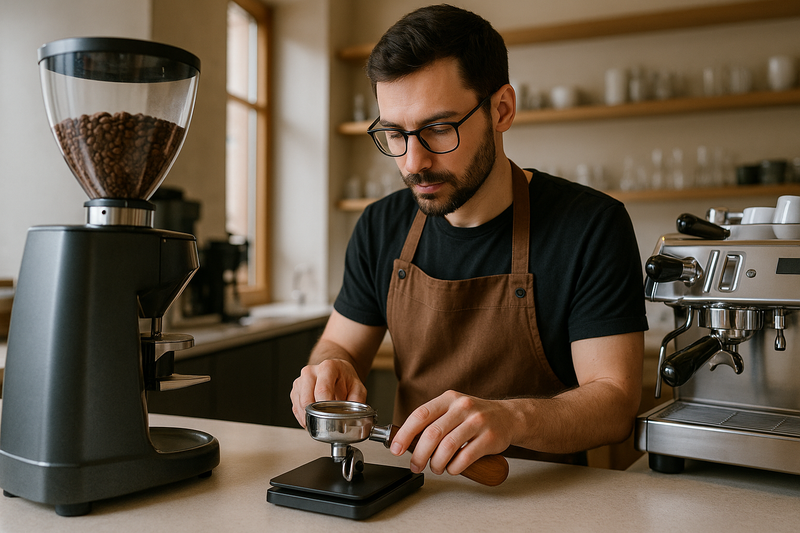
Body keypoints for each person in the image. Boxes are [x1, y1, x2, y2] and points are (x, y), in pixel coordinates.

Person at [291, 4, 648, 477]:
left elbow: (615, 401)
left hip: (547, 496)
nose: (413, 162)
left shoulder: (590, 226)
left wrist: (512, 418)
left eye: (439, 129)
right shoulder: (379, 226)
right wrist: (326, 369)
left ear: (501, 110)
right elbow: (340, 345)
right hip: (413, 488)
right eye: (395, 133)